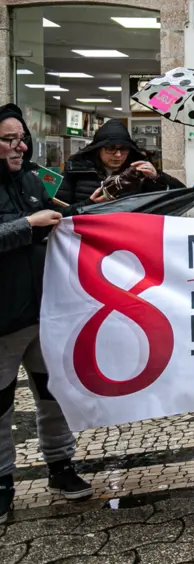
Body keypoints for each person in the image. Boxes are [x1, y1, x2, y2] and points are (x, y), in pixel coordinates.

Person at [0, 105, 92, 522]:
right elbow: (28, 226)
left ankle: (61, 466)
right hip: (4, 320)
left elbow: (61, 218)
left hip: (44, 312)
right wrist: (27, 224)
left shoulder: (33, 180)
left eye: (21, 138)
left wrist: (89, 209)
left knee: (53, 396)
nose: (19, 146)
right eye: (8, 139)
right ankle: (2, 481)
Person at [58, 120, 182, 206]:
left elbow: (180, 196)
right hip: (87, 232)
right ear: (97, 149)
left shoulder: (138, 172)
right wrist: (89, 204)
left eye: (123, 149)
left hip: (127, 232)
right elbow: (58, 208)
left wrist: (158, 177)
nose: (118, 155)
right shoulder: (76, 170)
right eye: (110, 148)